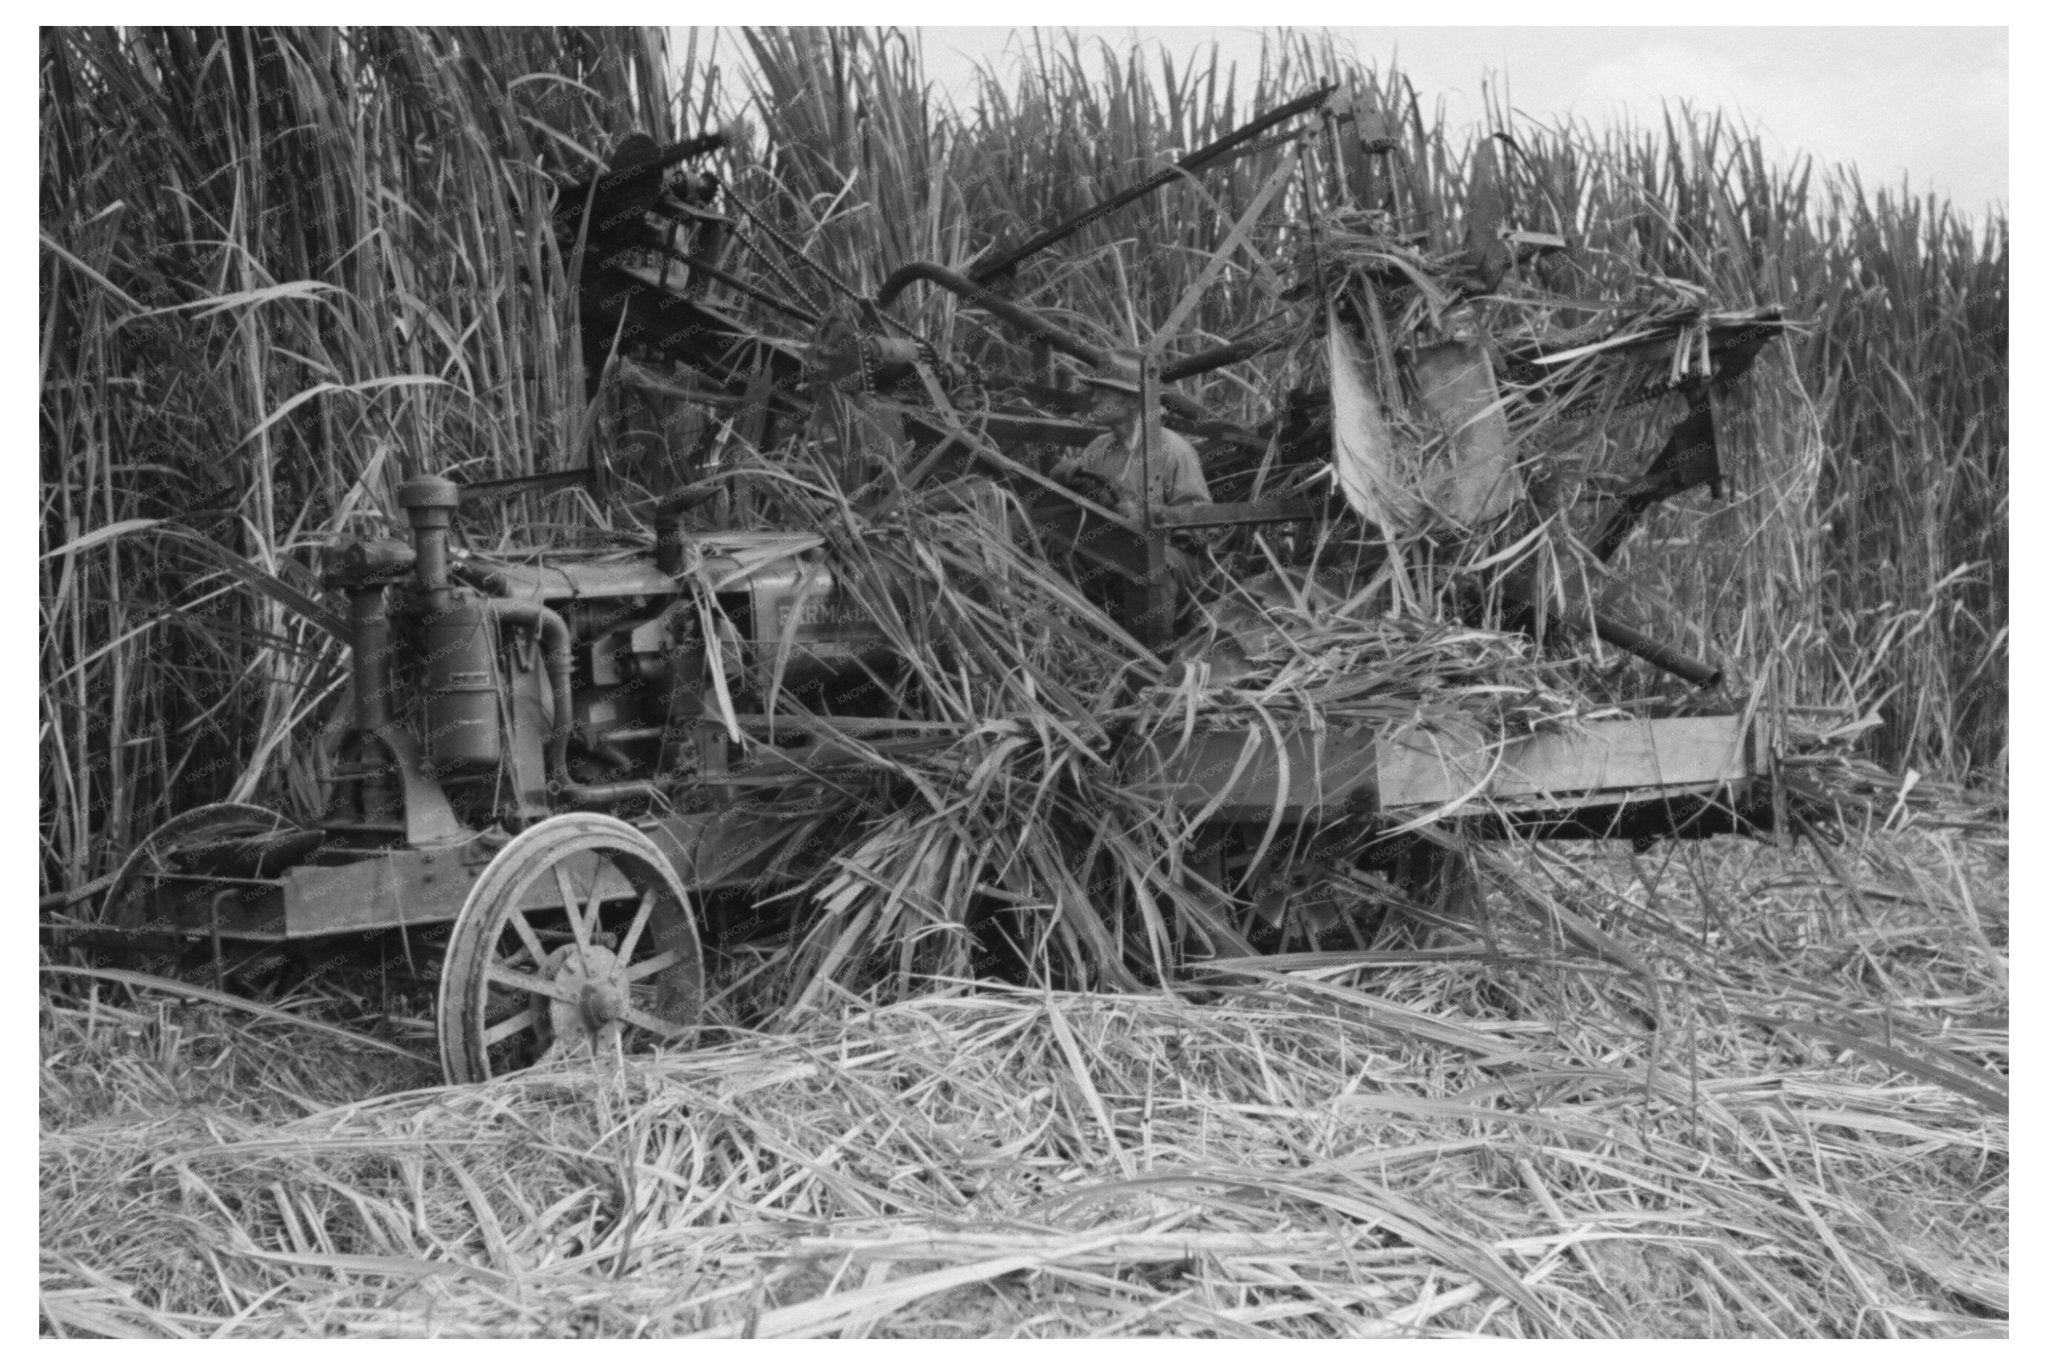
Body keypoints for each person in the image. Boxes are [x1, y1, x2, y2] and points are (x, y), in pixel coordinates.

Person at [1051, 352, 1212, 515]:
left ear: (1134, 401)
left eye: (1104, 394)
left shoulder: (1173, 451)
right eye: (1094, 393)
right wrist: (1064, 480)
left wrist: (1143, 516)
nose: (1094, 400)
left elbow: (1200, 517)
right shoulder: (1098, 447)